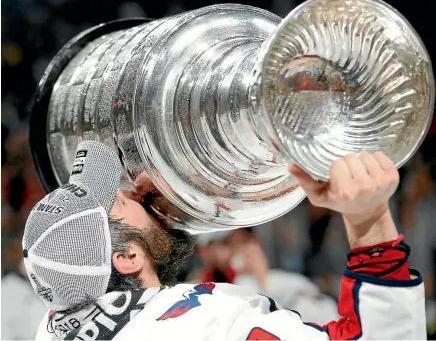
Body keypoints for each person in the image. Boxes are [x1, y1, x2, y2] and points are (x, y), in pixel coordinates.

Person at [23, 141, 424, 340]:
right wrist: (370, 220)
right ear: (127, 257)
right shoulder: (206, 327)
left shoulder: (54, 327)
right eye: (119, 199)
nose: (133, 189)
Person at [193, 228, 340, 325]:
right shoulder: (195, 288)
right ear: (203, 251)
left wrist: (264, 280)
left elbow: (324, 317)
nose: (238, 249)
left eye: (246, 240)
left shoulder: (285, 281)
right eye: (226, 243)